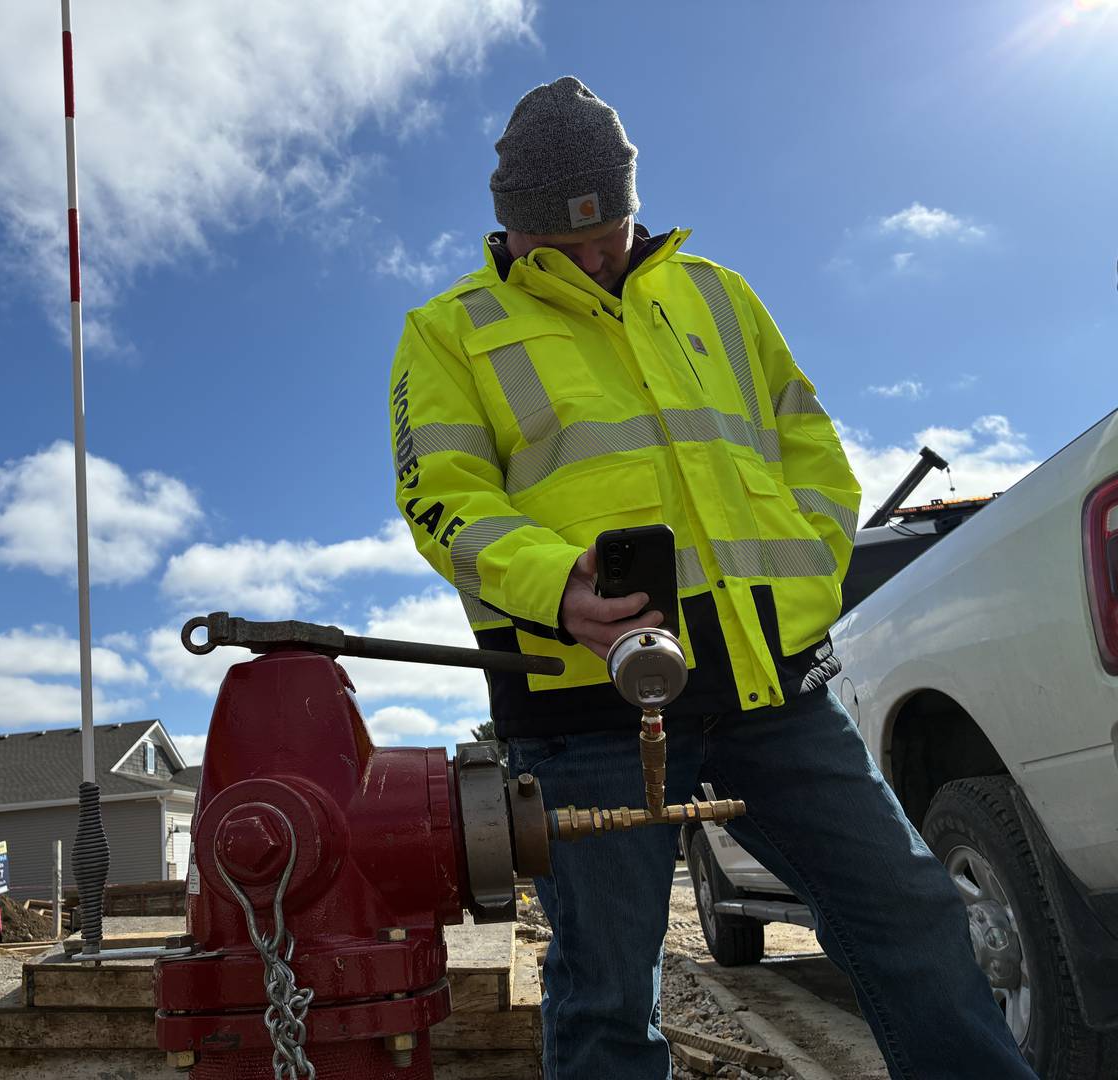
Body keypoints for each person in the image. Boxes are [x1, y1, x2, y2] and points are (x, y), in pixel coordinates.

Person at [388, 76, 1035, 1079]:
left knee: (910, 910)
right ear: (510, 227)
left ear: (632, 202)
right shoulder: (449, 329)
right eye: (563, 244)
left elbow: (810, 449)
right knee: (608, 989)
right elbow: (442, 498)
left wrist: (802, 596)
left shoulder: (718, 294)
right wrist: (557, 588)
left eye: (609, 232)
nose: (594, 258)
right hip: (581, 707)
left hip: (773, 688)